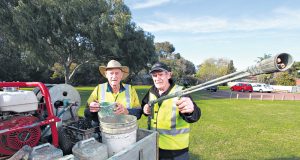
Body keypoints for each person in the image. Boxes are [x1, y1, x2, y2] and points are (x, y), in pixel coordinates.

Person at [142, 62, 201, 160]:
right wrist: (145, 109)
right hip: (154, 146)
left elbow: (194, 116)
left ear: (169, 75)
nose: (157, 78)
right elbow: (144, 105)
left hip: (176, 151)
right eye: (154, 75)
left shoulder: (181, 92)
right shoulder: (151, 91)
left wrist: (191, 111)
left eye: (160, 74)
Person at [84, 60, 142, 124]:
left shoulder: (130, 89)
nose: (114, 76)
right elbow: (86, 113)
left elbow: (139, 113)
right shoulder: (99, 89)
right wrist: (91, 110)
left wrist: (126, 111)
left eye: (117, 73)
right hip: (104, 130)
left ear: (121, 75)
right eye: (111, 73)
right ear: (106, 75)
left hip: (125, 130)